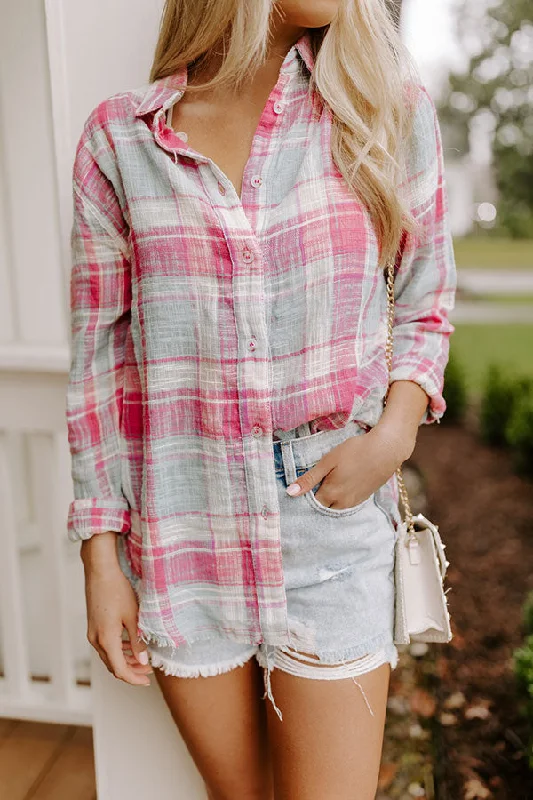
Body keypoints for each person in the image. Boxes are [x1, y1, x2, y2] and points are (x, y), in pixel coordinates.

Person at [65, 1, 456, 797]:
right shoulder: (121, 142)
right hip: (181, 531)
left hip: (329, 518)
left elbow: (425, 296)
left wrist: (394, 434)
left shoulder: (380, 106)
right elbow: (100, 364)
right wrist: (100, 558)